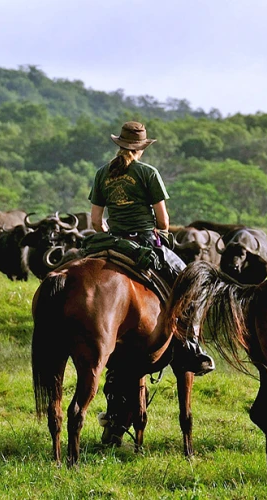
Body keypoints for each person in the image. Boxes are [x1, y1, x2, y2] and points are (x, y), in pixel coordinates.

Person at [89, 121, 213, 374]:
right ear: (141, 148)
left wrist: (109, 235)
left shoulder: (102, 173)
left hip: (112, 241)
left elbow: (94, 220)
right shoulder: (147, 172)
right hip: (144, 241)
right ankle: (192, 346)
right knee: (192, 285)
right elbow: (163, 221)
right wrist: (162, 234)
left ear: (119, 144)